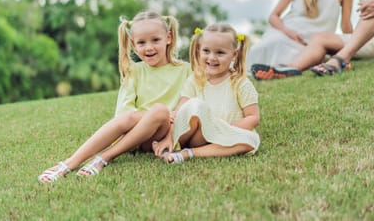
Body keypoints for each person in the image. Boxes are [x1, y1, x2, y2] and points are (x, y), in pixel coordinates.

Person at [38, 11, 192, 182]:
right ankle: (70, 162)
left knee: (160, 111)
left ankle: (105, 156)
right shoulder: (134, 71)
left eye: (155, 40)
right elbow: (124, 115)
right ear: (133, 45)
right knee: (158, 111)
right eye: (141, 42)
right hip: (137, 136)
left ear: (168, 38)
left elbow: (190, 103)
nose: (149, 47)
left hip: (165, 135)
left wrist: (165, 115)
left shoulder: (186, 70)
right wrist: (154, 114)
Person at [152, 23, 260, 163]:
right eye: (206, 51)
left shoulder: (240, 83)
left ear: (234, 54)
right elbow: (180, 111)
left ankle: (189, 153)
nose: (212, 58)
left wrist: (227, 128)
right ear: (198, 50)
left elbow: (253, 118)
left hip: (224, 135)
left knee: (251, 140)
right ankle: (173, 145)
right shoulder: (194, 81)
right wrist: (169, 137)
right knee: (195, 105)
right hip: (196, 135)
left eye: (220, 53)